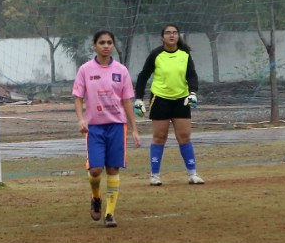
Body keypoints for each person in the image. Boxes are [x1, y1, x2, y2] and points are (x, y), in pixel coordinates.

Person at [72, 30, 141, 228]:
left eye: (109, 42)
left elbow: (126, 100)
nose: (106, 46)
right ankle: (96, 198)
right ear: (94, 45)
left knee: (113, 169)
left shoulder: (121, 70)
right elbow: (78, 97)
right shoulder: (85, 69)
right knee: (95, 170)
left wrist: (134, 129)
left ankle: (110, 214)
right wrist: (81, 119)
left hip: (117, 126)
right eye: (102, 42)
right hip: (94, 128)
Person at [134, 24, 204, 186]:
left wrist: (193, 92)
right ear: (162, 37)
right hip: (160, 99)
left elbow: (192, 75)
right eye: (168, 33)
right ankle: (155, 175)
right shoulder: (156, 54)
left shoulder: (185, 54)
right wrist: (138, 98)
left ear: (178, 36)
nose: (171, 35)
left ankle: (192, 174)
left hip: (182, 100)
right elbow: (143, 76)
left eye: (174, 33)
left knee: (184, 137)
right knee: (159, 137)